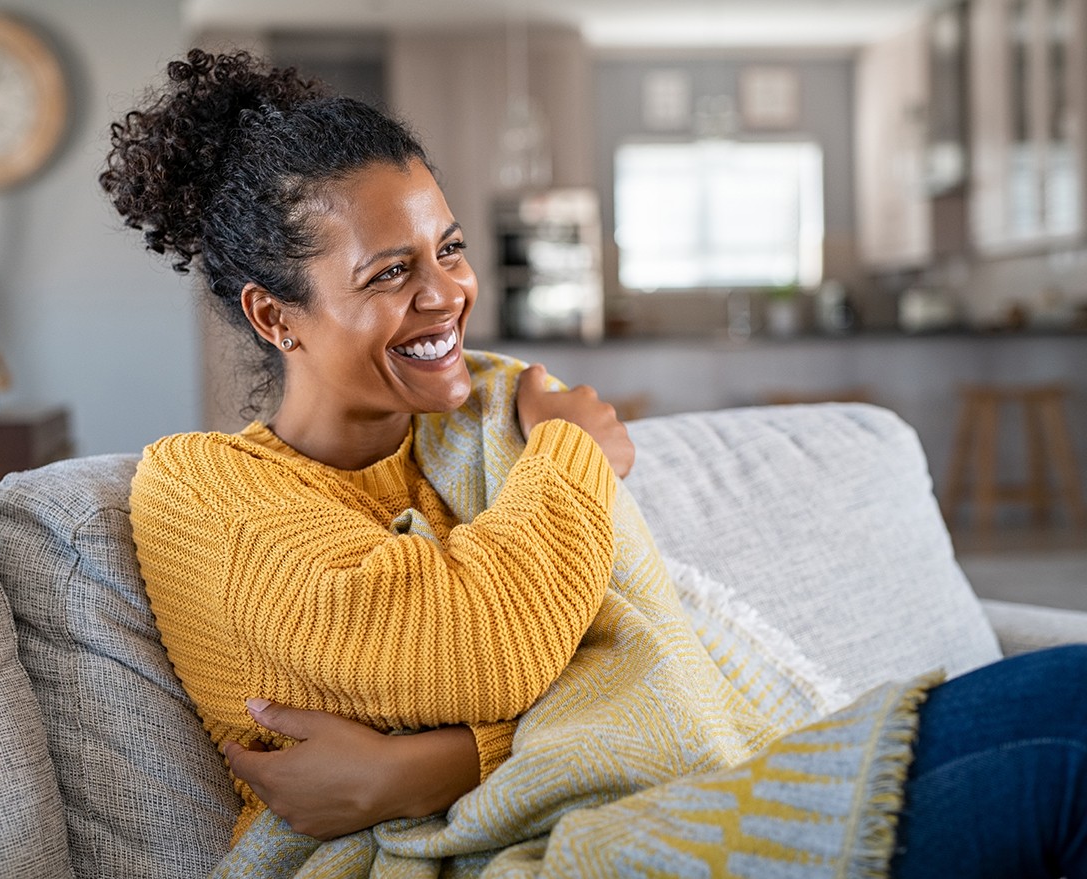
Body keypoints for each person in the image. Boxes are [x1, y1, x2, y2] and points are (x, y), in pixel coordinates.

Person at [102, 49, 1087, 878]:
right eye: (390, 272)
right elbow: (474, 641)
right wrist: (575, 449)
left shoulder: (478, 429)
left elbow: (615, 651)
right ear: (275, 316)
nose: (445, 294)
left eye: (446, 249)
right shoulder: (200, 485)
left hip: (674, 790)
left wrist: (435, 763)